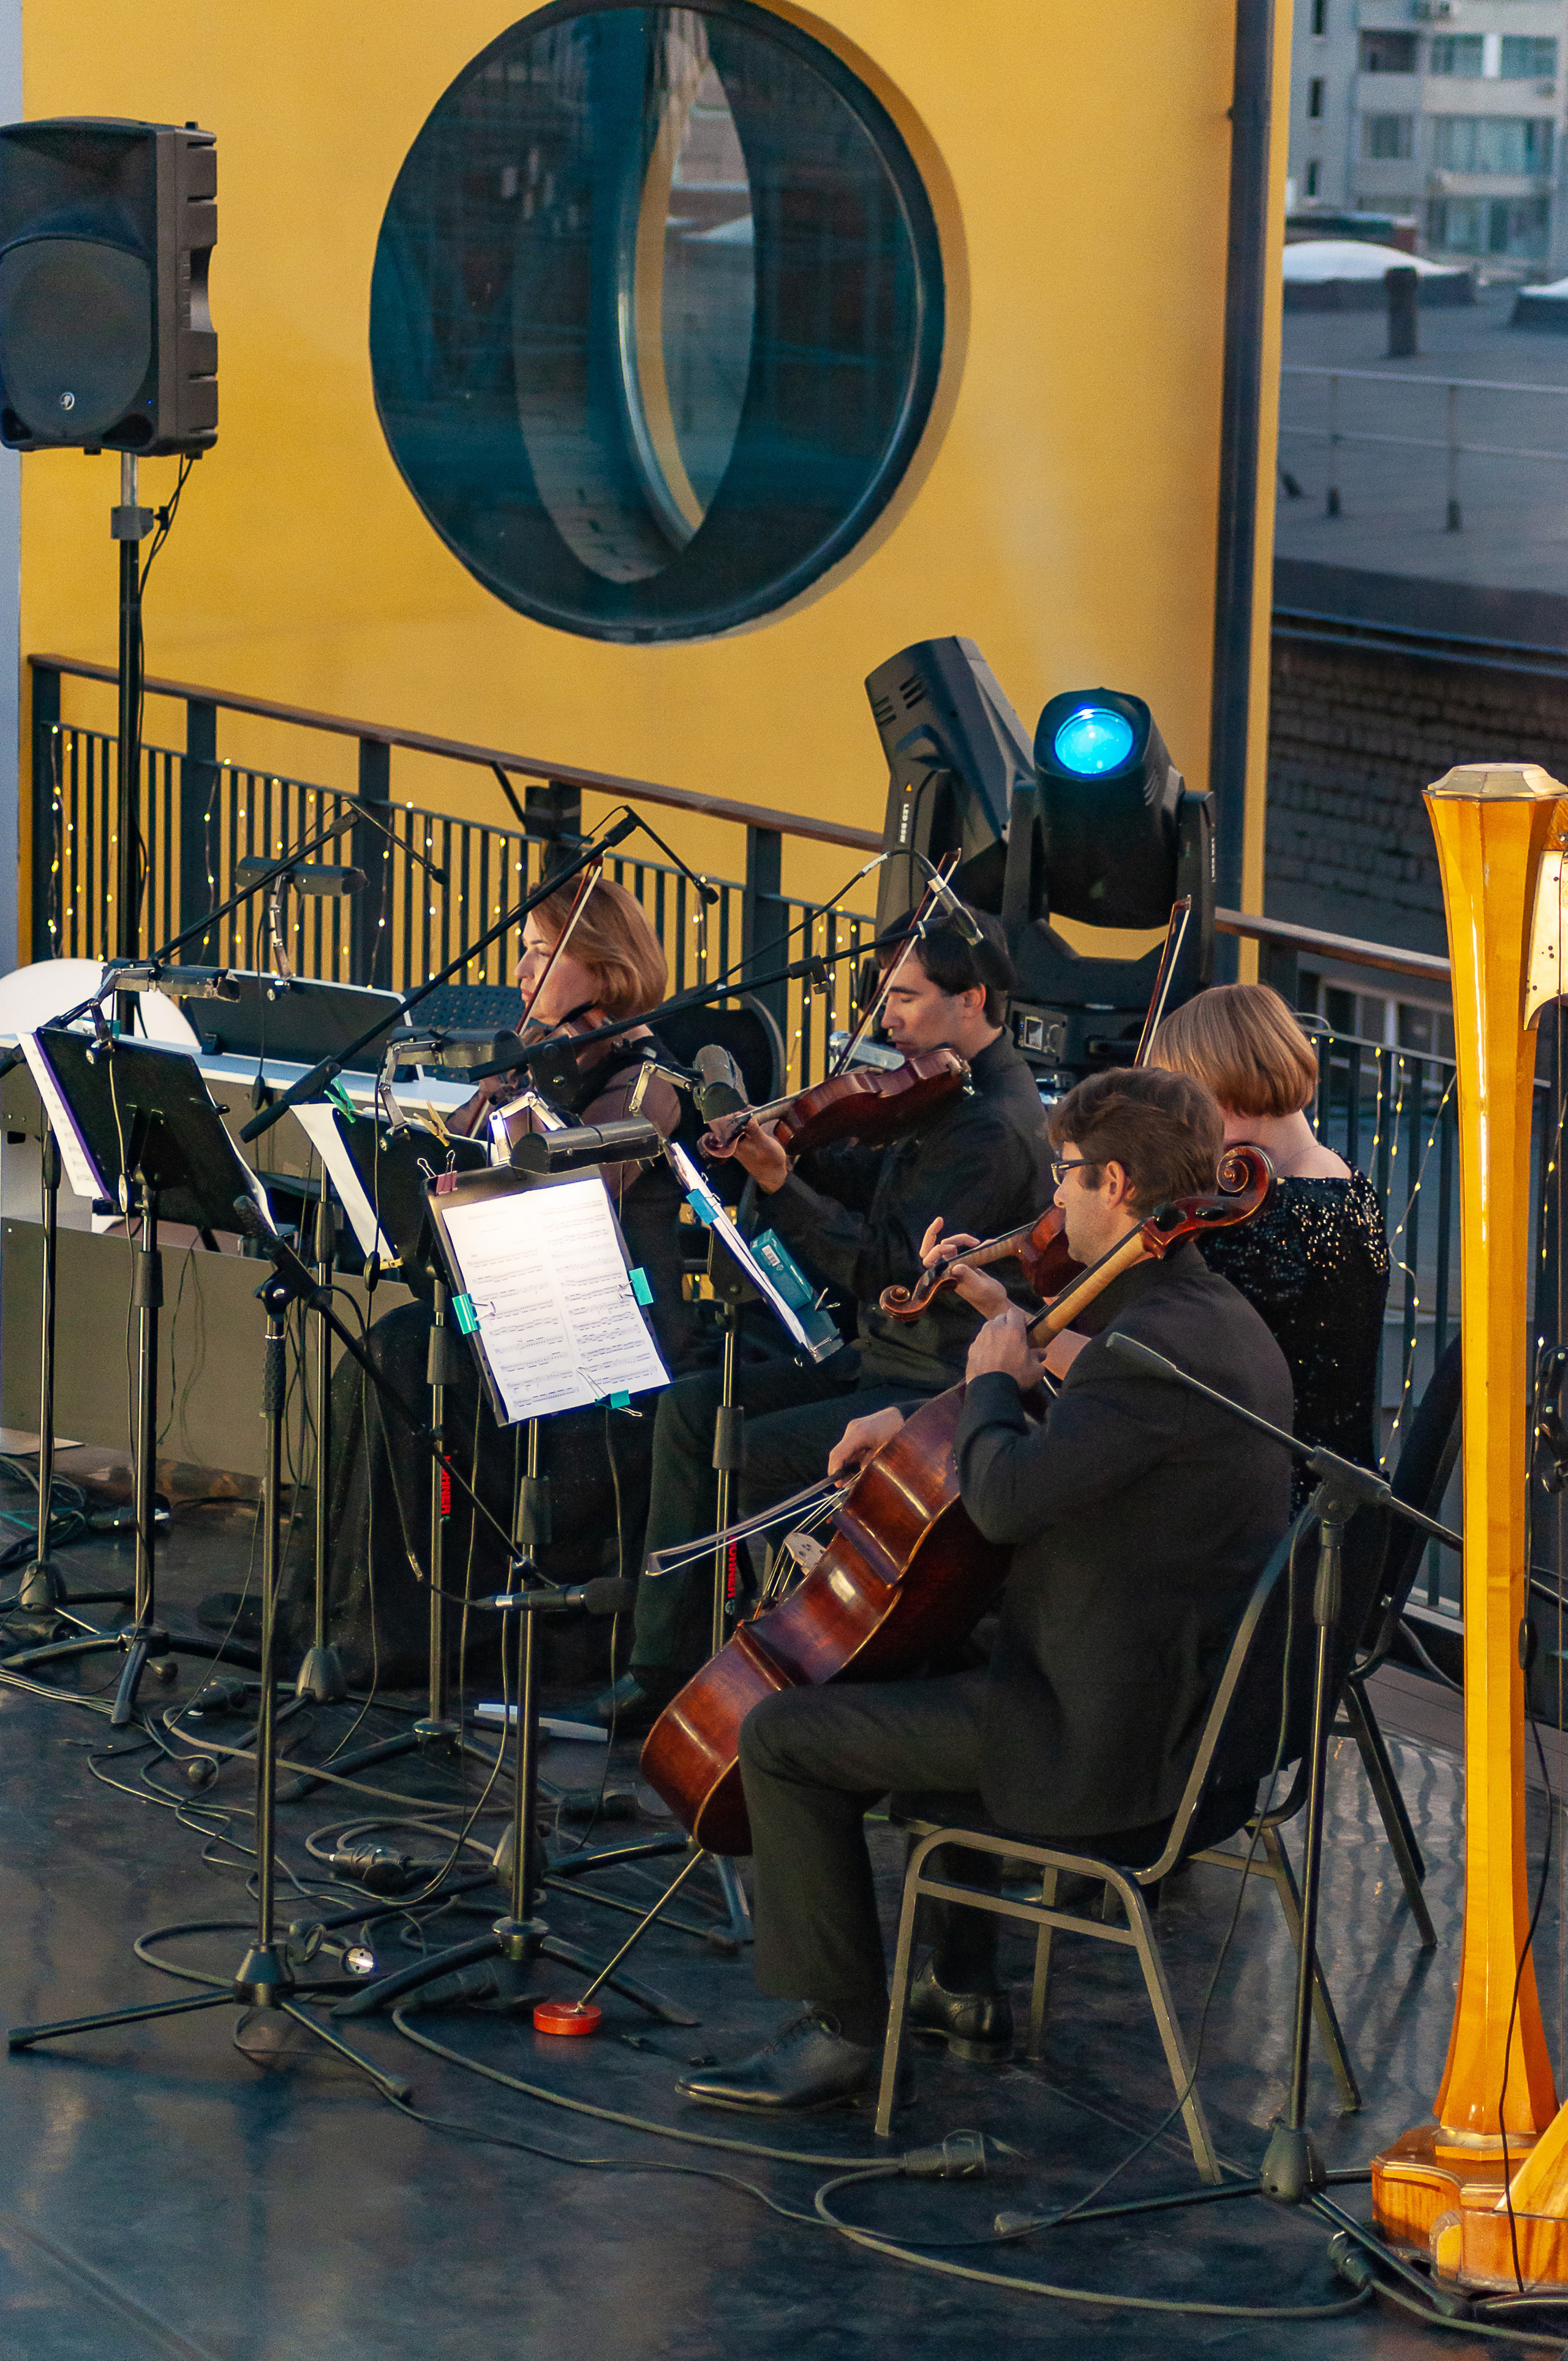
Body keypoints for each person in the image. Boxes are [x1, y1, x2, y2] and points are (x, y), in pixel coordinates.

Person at [674, 1065, 1294, 2113]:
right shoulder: (1210, 1320)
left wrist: (995, 1377)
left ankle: (841, 2032)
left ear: (1115, 1182)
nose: (1051, 1208)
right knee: (928, 1649)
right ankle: (958, 1983)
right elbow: (1088, 1446)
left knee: (783, 1735)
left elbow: (1005, 1502)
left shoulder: (1150, 1347)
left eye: (1063, 1182)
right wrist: (994, 1363)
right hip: (1162, 1708)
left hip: (1095, 1744)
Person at [600, 910, 1049, 1729]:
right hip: (880, 1360)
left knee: (745, 1449)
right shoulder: (943, 1088)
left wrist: (780, 1184)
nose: (888, 1018)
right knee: (695, 1408)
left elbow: (884, 1271)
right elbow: (870, 1177)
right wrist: (794, 1147)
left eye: (907, 998)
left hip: (931, 1384)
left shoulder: (992, 1128)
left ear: (974, 999)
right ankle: (660, 1665)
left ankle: (769, 1685)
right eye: (885, 997)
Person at [271, 875, 693, 1685]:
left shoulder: (649, 1075)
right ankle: (333, 1611)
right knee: (389, 1347)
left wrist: (528, 1116)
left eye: (543, 951)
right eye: (524, 949)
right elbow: (451, 1165)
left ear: (604, 970)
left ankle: (391, 1635)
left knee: (400, 1349)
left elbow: (590, 1174)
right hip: (515, 1319)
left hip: (602, 1353)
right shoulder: (527, 1057)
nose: (523, 969)